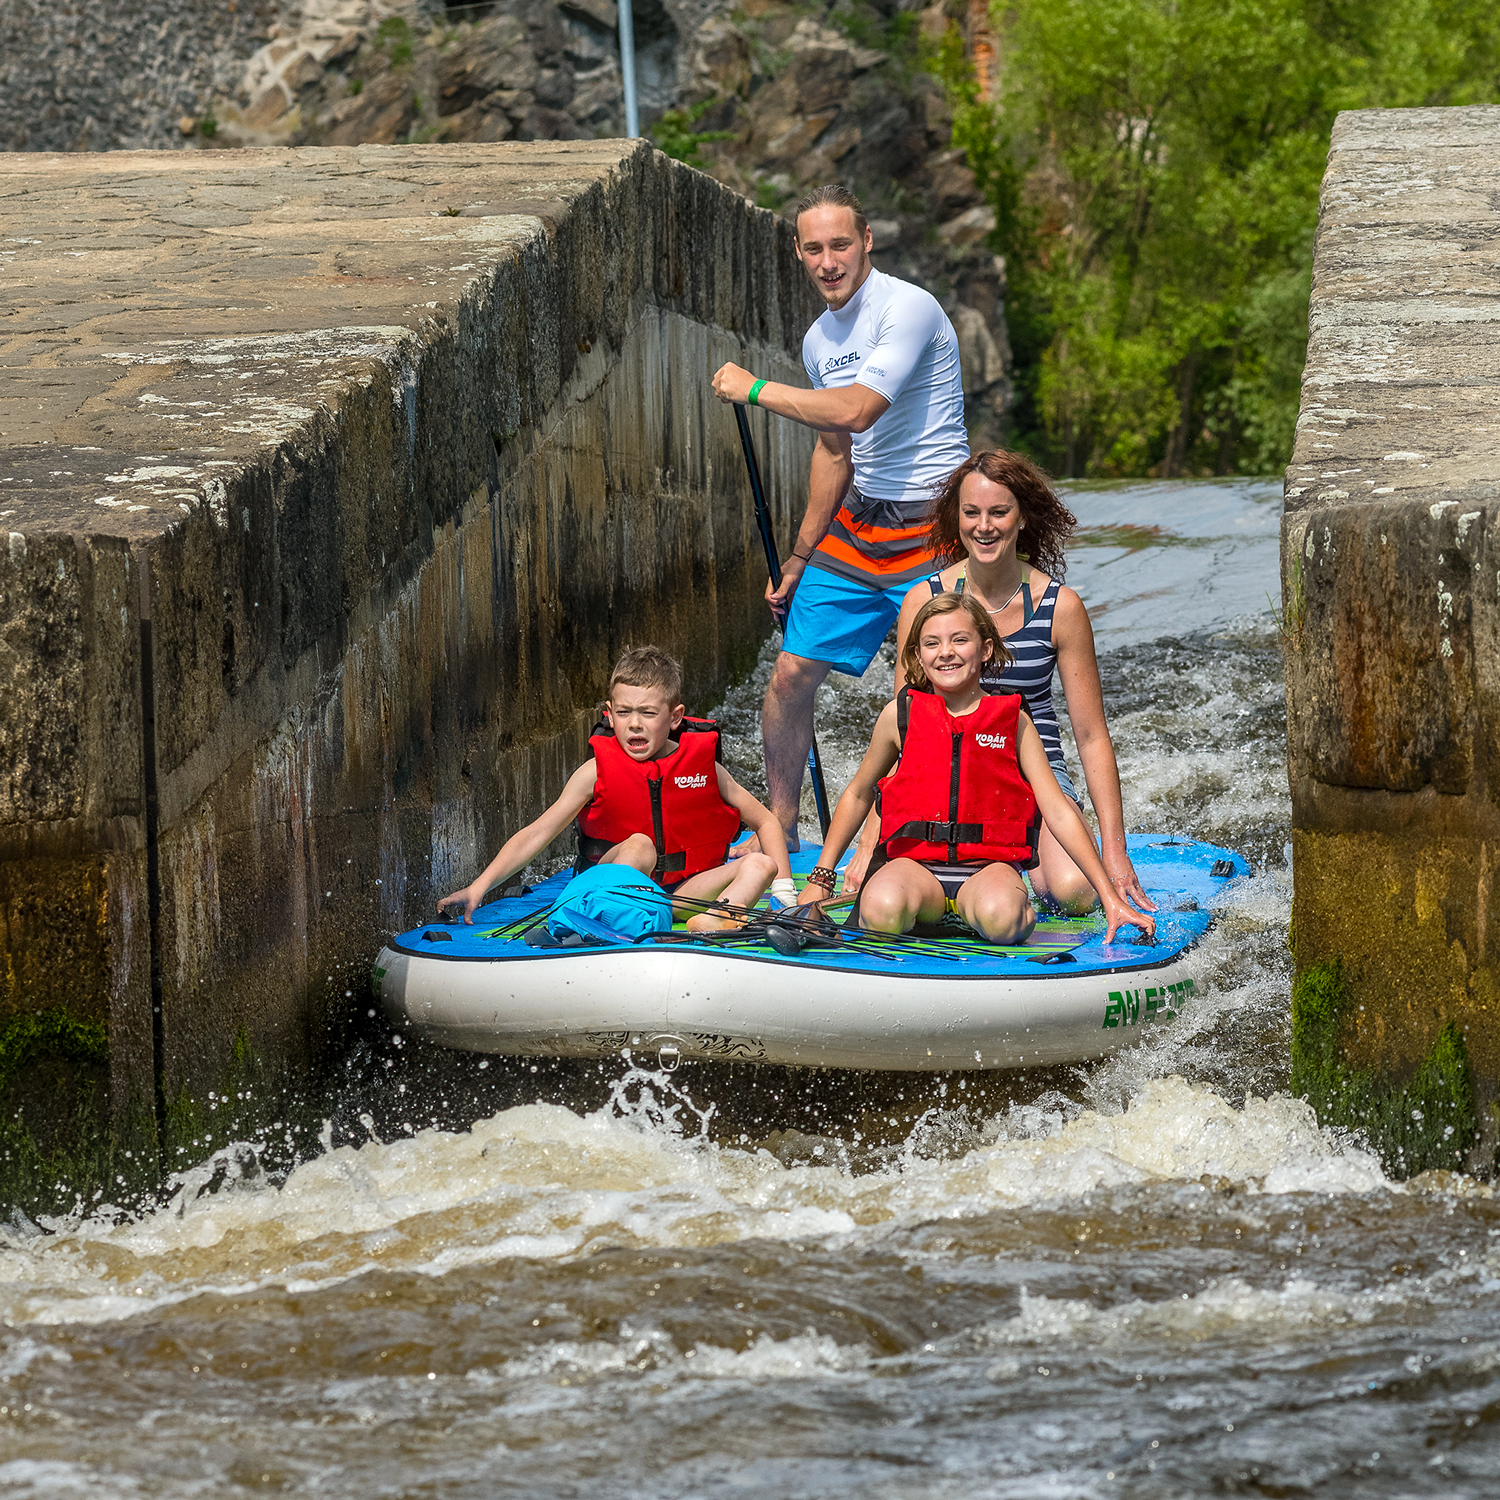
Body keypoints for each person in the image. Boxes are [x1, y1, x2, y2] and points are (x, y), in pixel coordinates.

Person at [711, 183, 969, 848]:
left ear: (867, 243)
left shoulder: (907, 308)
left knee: (924, 690)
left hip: (938, 524)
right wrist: (799, 556)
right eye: (815, 248)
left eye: (842, 245)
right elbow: (836, 451)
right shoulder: (819, 339)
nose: (830, 261)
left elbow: (857, 410)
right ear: (799, 252)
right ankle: (784, 829)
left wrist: (757, 390)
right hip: (861, 526)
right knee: (790, 673)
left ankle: (917, 833)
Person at [842, 450, 1156, 917]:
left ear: (1022, 517)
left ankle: (1017, 868)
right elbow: (904, 736)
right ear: (957, 518)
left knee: (1075, 892)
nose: (984, 526)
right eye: (972, 513)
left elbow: (1091, 737)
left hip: (1035, 776)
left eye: (998, 512)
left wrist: (1114, 850)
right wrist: (872, 835)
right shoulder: (923, 602)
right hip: (944, 781)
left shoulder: (1060, 607)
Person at [801, 594, 1155, 946]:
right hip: (916, 869)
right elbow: (860, 793)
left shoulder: (1014, 722)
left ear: (985, 649)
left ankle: (999, 912)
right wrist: (821, 875)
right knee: (881, 910)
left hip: (986, 871)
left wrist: (1109, 895)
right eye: (931, 643)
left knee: (1003, 919)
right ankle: (927, 915)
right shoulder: (899, 716)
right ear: (917, 655)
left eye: (960, 640)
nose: (946, 652)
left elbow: (1057, 811)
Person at [438, 647, 793, 932]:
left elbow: (767, 822)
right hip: (607, 891)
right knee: (640, 845)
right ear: (609, 715)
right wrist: (479, 886)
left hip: (675, 897)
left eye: (648, 713)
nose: (634, 723)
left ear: (675, 716)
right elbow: (537, 834)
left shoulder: (707, 769)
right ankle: (608, 922)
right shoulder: (594, 772)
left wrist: (785, 893)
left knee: (760, 864)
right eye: (624, 712)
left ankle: (717, 918)